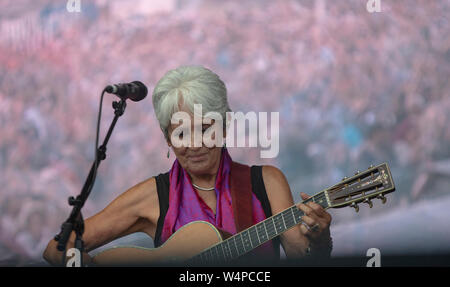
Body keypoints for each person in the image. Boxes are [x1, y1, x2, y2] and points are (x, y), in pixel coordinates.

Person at [43, 66, 332, 266]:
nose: (193, 144)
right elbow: (56, 251)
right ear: (167, 138)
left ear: (225, 125)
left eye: (204, 129)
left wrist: (318, 240)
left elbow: (300, 256)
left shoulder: (266, 182)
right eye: (180, 133)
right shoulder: (153, 196)